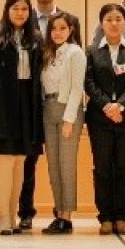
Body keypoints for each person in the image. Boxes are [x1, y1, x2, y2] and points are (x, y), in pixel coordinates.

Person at [0, 0, 45, 235]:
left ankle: (13, 215)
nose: (20, 13)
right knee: (3, 161)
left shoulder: (36, 38)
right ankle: (3, 216)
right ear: (6, 10)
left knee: (20, 162)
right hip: (1, 105)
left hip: (27, 104)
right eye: (15, 8)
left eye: (24, 9)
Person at [85, 3, 125, 235]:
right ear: (102, 23)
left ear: (124, 22)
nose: (114, 23)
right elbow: (88, 82)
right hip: (99, 118)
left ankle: (122, 216)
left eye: (118, 19)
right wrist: (106, 106)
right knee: (102, 167)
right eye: (109, 19)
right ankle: (105, 216)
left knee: (124, 167)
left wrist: (120, 105)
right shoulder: (91, 51)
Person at [20, 0, 62, 230]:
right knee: (27, 160)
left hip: (57, 100)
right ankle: (25, 211)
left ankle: (62, 211)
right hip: (31, 102)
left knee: (59, 160)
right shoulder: (24, 19)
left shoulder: (69, 20)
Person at [40, 12, 86, 234]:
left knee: (66, 165)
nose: (57, 33)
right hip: (48, 109)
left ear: (70, 30)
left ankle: (66, 217)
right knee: (53, 166)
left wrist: (69, 119)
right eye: (53, 29)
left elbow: (78, 88)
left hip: (69, 109)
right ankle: (58, 212)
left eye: (62, 28)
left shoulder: (75, 53)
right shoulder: (47, 53)